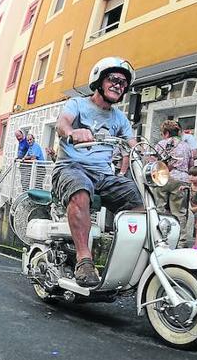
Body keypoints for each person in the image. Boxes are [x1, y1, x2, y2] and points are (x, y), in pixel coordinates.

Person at [52, 56, 143, 287]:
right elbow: (62, 124)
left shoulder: (120, 117)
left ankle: (126, 260)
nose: (118, 85)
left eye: (123, 83)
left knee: (138, 199)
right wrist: (73, 132)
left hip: (104, 174)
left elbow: (133, 145)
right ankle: (84, 260)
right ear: (100, 80)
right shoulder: (77, 104)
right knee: (80, 190)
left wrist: (151, 157)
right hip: (71, 167)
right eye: (113, 79)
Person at [154, 120, 193, 248]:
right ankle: (181, 241)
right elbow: (191, 166)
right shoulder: (186, 146)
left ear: (166, 133)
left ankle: (158, 238)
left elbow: (154, 162)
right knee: (179, 212)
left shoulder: (161, 144)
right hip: (181, 179)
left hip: (163, 178)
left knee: (160, 208)